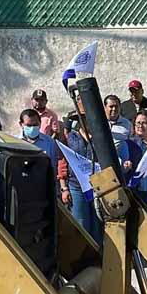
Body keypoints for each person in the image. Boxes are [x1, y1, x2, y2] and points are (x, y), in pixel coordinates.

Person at [60, 97, 101, 241]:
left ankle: (99, 258)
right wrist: (64, 188)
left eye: (88, 117)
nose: (85, 120)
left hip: (97, 187)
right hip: (76, 186)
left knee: (98, 224)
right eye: (82, 117)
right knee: (81, 224)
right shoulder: (70, 137)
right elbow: (63, 162)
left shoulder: (100, 137)